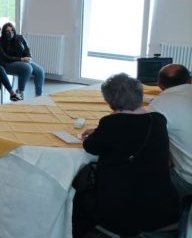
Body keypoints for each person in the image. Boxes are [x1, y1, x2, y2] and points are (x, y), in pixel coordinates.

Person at [72, 73, 179, 238]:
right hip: (164, 208)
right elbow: (133, 131)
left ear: (110, 101)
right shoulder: (158, 120)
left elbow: (90, 146)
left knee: (77, 197)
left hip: (123, 214)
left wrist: (100, 130)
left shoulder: (111, 124)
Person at [149, 64, 192, 199]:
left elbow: (147, 138)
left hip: (187, 180)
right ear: (190, 80)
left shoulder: (158, 105)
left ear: (160, 85)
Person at [0, 22, 45, 98]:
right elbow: (5, 57)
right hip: (6, 64)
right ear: (4, 32)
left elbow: (27, 49)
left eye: (12, 30)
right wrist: (21, 59)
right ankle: (20, 92)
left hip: (21, 62)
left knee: (40, 71)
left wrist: (29, 57)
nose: (10, 33)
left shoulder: (20, 38)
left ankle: (38, 95)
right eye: (7, 31)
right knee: (27, 68)